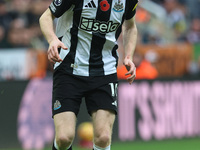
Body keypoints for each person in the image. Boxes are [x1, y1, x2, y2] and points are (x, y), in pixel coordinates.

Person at [39, 0, 138, 149]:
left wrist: (129, 56)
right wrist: (52, 40)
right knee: (64, 137)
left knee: (103, 137)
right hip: (69, 69)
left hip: (105, 71)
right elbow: (46, 17)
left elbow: (130, 26)